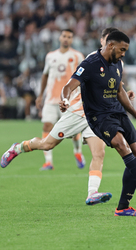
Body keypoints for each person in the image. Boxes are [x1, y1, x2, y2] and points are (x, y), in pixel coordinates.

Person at [0, 28, 134, 206]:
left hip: (97, 116)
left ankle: (92, 193)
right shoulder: (92, 59)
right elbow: (73, 83)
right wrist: (64, 98)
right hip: (78, 111)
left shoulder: (117, 62)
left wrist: (124, 93)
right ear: (104, 41)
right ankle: (18, 148)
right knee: (47, 144)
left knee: (99, 153)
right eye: (106, 40)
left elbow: (113, 84)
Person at [60, 31, 136, 216]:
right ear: (111, 46)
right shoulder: (90, 64)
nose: (123, 54)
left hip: (118, 112)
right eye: (122, 50)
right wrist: (65, 100)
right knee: (121, 145)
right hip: (99, 116)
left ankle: (123, 207)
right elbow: (68, 86)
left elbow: (120, 91)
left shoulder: (117, 63)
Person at [36, 29, 86, 171]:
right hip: (51, 99)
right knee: (46, 126)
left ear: (72, 40)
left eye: (69, 37)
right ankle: (48, 162)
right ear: (59, 37)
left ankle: (78, 152)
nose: (66, 39)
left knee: (74, 132)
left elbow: (84, 76)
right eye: (64, 36)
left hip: (70, 100)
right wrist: (40, 95)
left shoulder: (77, 56)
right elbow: (45, 75)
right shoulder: (50, 56)